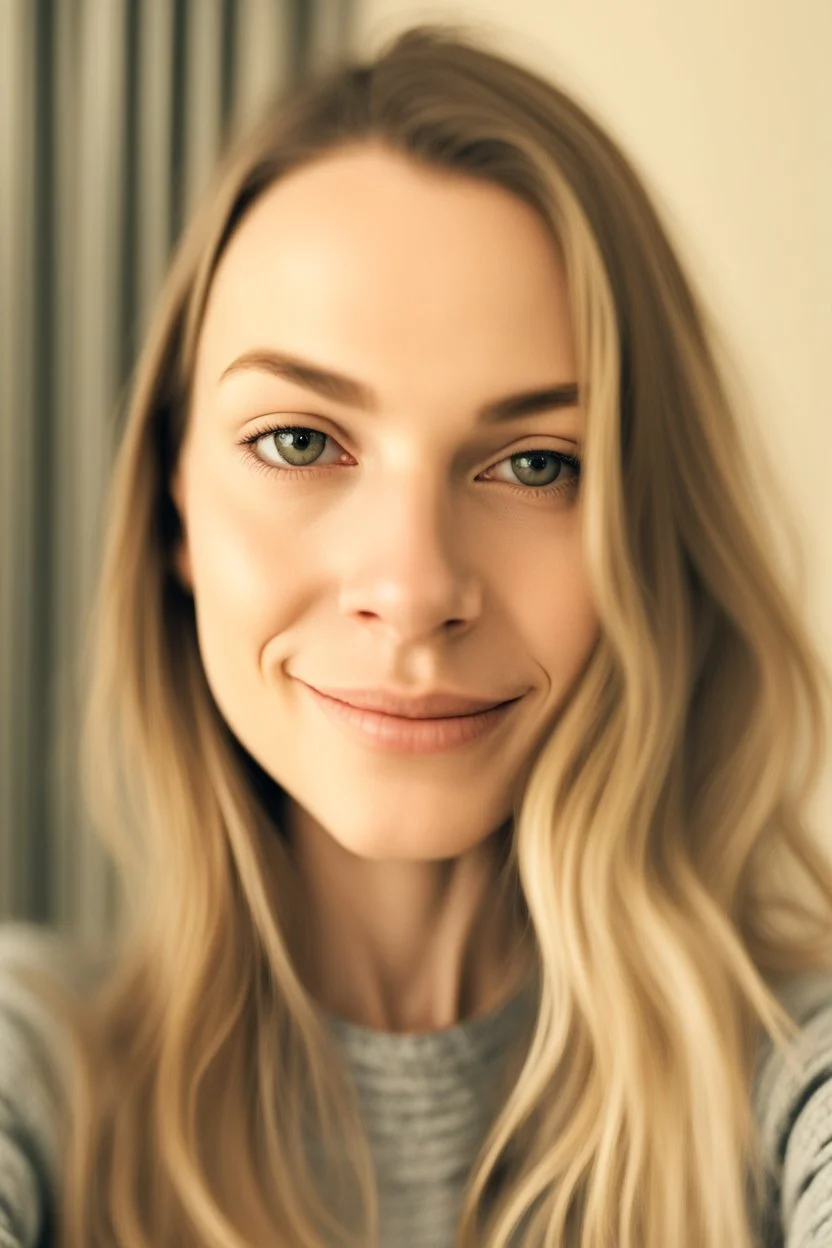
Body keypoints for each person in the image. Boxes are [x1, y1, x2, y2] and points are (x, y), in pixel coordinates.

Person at [1, 20, 831, 1248]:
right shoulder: (36, 1067)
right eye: (298, 440)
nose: (413, 584)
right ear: (170, 502)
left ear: (650, 536)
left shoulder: (791, 1081)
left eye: (535, 463)